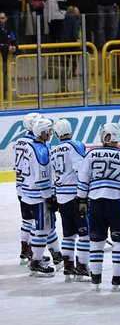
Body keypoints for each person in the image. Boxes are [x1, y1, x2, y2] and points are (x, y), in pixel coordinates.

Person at [76, 122, 120, 289]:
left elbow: (83, 178)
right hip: (116, 204)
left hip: (95, 203)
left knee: (96, 241)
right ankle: (118, 278)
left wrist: (81, 199)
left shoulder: (92, 154)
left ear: (106, 135)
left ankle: (96, 277)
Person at [50, 119, 90, 281]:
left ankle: (68, 268)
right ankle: (82, 268)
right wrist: (85, 192)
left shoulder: (52, 150)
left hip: (61, 197)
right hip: (75, 196)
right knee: (84, 235)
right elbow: (82, 169)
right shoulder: (76, 145)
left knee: (68, 236)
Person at [17, 117, 57, 277]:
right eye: (48, 130)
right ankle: (36, 262)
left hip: (26, 190)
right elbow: (41, 177)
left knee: (36, 225)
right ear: (42, 132)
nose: (51, 133)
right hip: (38, 195)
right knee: (43, 229)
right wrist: (49, 197)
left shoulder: (28, 144)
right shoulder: (40, 149)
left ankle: (32, 255)